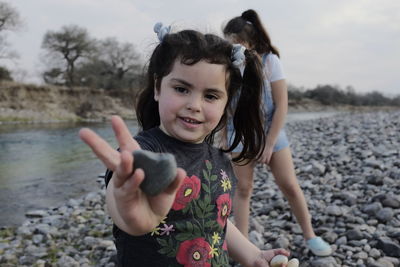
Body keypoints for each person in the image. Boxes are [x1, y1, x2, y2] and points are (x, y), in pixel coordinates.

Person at [79, 22, 292, 266]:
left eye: (210, 96)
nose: (195, 105)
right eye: (181, 89)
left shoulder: (219, 159)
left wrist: (253, 255)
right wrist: (130, 215)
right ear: (158, 87)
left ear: (227, 102)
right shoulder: (144, 154)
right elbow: (122, 205)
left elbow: (214, 220)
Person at [223, 10, 332, 257]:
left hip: (271, 131)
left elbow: (282, 104)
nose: (230, 47)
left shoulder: (270, 61)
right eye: (226, 42)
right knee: (242, 189)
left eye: (234, 42)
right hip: (237, 134)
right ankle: (244, 247)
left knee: (290, 185)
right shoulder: (225, 66)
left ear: (248, 42)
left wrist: (269, 143)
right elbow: (222, 105)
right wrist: (221, 136)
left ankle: (310, 235)